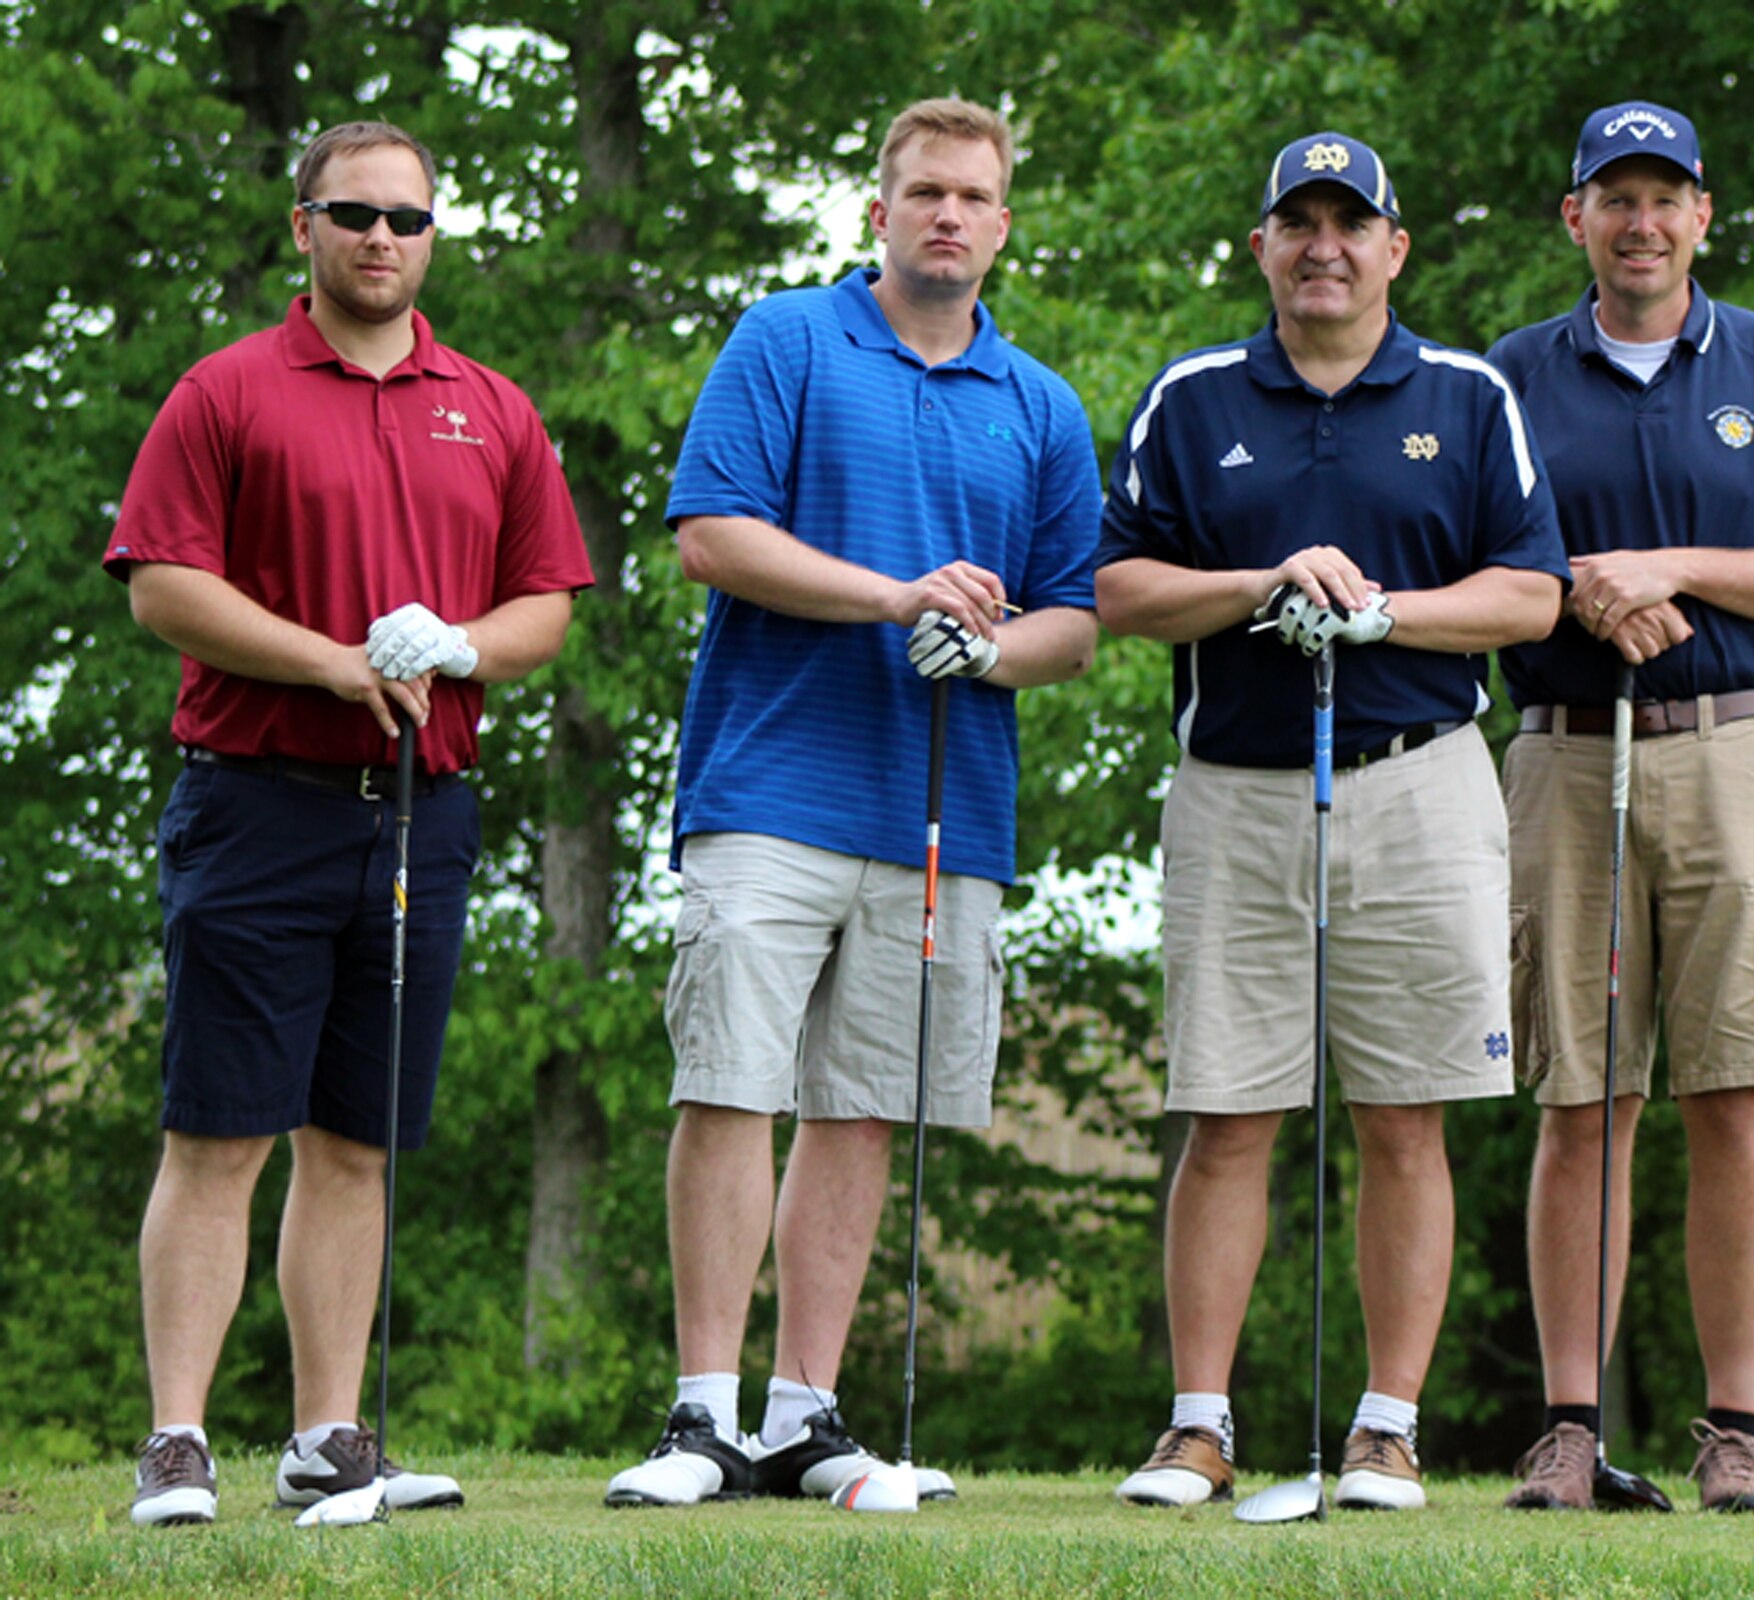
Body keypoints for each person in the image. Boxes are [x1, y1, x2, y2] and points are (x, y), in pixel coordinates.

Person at [604, 97, 1100, 1508]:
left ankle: (803, 1420)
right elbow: (712, 535)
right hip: (770, 785)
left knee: (866, 1108)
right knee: (730, 1085)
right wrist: (898, 597)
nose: (948, 215)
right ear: (876, 208)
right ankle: (703, 1414)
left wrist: (991, 648)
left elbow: (1074, 626)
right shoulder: (789, 341)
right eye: (925, 191)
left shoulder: (1043, 403)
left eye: (975, 197)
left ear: (1005, 225)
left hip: (943, 811)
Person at [106, 120, 593, 1528]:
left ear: (433, 235)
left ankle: (329, 1439)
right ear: (304, 227)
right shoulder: (228, 390)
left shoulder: (490, 406)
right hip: (257, 800)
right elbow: (161, 586)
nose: (384, 237)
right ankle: (178, 1443)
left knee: (358, 1139)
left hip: (419, 818)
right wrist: (329, 661)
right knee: (218, 1133)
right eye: (355, 213)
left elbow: (544, 606)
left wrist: (458, 647)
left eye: (409, 217)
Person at [1096, 131, 1568, 1513]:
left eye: (1350, 224)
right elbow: (1121, 592)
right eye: (1296, 223)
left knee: (1404, 1116)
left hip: (1421, 777)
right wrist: (1263, 583)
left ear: (1394, 247)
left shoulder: (1472, 397)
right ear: (1261, 247)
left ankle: (1384, 1429)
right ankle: (1197, 1426)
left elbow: (1530, 597)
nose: (1324, 246)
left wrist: (1385, 613)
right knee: (1226, 1115)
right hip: (1237, 786)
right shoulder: (1191, 399)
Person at [1488, 100, 1754, 1514]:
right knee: (1582, 1098)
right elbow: (1479, 568)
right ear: (1576, 218)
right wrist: (1583, 587)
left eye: (1668, 197)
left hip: (1731, 750)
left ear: (1703, 216)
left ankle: (1736, 1435)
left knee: (1737, 1090)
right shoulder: (1512, 374)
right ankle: (1570, 1430)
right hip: (1559, 750)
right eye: (1617, 197)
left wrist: (1672, 566)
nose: (1642, 221)